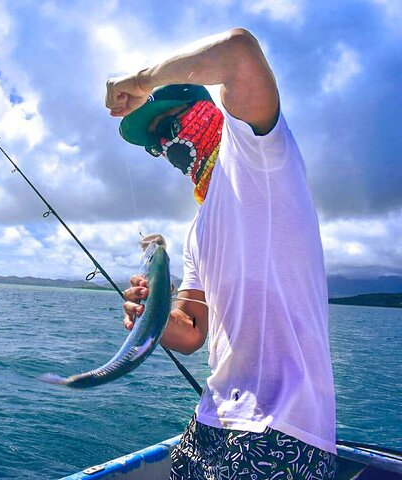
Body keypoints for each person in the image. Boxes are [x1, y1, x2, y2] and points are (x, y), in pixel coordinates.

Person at [105, 28, 337, 479]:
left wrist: (142, 80)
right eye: (157, 145)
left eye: (169, 128)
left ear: (206, 111)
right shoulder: (197, 229)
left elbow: (238, 51)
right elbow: (190, 333)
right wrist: (150, 312)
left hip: (283, 428)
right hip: (210, 421)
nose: (167, 148)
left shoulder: (258, 152)